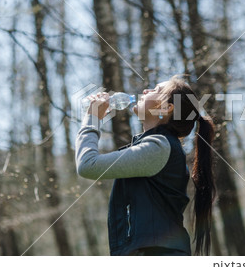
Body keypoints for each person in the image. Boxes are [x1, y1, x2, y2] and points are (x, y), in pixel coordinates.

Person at [75, 75, 216, 256]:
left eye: (156, 90)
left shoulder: (158, 147)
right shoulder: (157, 146)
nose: (145, 91)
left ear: (165, 108)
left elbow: (88, 165)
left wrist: (92, 119)